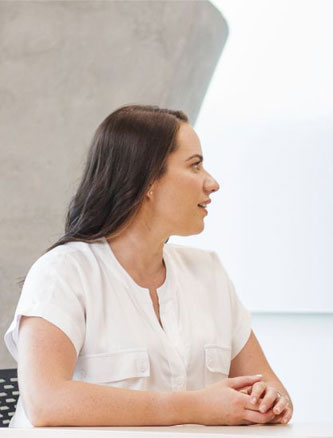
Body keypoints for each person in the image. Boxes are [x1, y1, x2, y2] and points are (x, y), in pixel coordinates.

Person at [3, 105, 293, 427]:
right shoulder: (63, 274)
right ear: (148, 181)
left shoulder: (208, 273)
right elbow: (47, 402)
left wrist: (270, 400)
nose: (212, 183)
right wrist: (195, 407)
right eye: (195, 166)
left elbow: (269, 384)